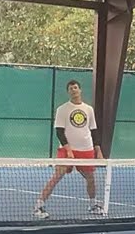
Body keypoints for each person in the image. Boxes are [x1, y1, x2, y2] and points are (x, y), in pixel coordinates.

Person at [34, 79, 103, 219]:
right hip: (67, 151)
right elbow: (59, 131)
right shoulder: (62, 109)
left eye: (75, 88)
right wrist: (69, 150)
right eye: (71, 89)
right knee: (56, 177)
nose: (74, 90)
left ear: (80, 90)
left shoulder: (89, 109)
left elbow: (94, 131)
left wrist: (98, 150)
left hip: (86, 150)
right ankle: (38, 207)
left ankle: (93, 205)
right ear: (68, 92)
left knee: (91, 179)